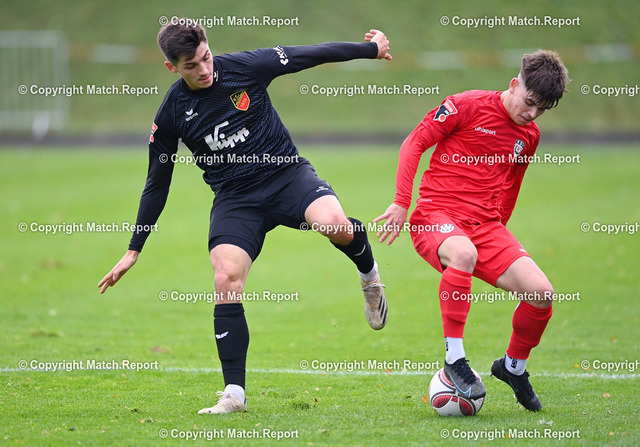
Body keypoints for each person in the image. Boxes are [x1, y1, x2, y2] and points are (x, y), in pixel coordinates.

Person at [98, 21, 392, 414]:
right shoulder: (172, 113)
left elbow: (308, 54)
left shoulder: (245, 67)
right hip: (236, 200)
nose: (204, 70)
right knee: (226, 277)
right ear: (172, 68)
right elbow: (157, 182)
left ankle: (369, 276)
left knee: (335, 225)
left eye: (206, 57)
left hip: (286, 176)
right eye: (191, 66)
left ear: (209, 47)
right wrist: (134, 248)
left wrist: (369, 50)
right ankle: (234, 394)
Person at [375, 50, 569, 411]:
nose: (532, 113)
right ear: (514, 84)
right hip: (436, 215)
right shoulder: (464, 105)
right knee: (463, 253)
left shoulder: (529, 135)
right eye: (529, 102)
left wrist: (501, 233)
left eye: (542, 109)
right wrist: (402, 202)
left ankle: (513, 368)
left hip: (486, 227)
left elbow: (511, 185)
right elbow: (414, 143)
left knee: (542, 293)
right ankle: (455, 358)